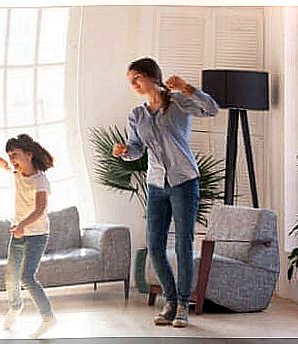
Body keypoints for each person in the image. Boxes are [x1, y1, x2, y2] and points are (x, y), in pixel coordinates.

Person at [112, 57, 219, 327]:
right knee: (155, 248)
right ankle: (170, 301)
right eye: (130, 81)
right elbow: (136, 148)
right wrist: (125, 152)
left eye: (137, 77)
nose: (133, 84)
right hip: (156, 185)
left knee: (184, 246)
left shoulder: (179, 102)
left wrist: (188, 88)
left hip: (184, 182)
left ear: (151, 76)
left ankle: (184, 304)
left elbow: (212, 109)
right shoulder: (136, 115)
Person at [0, 134, 56, 338]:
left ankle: (48, 317)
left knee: (27, 277)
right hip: (19, 233)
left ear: (29, 155)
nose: (13, 159)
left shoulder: (41, 181)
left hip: (36, 235)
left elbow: (40, 210)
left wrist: (22, 225)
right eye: (11, 155)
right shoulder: (17, 173)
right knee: (11, 277)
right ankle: (15, 306)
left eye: (16, 155)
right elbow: (2, 163)